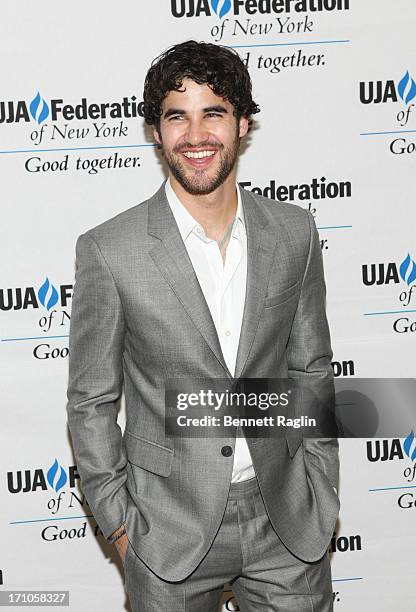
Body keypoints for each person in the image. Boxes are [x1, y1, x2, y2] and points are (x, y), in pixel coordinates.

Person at [67, 40, 340, 612]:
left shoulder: (294, 233)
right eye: (176, 116)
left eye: (213, 113)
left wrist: (321, 487)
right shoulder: (109, 250)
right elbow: (91, 402)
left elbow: (310, 367)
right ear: (157, 131)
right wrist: (122, 530)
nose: (195, 136)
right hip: (165, 533)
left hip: (287, 522)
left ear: (243, 124)